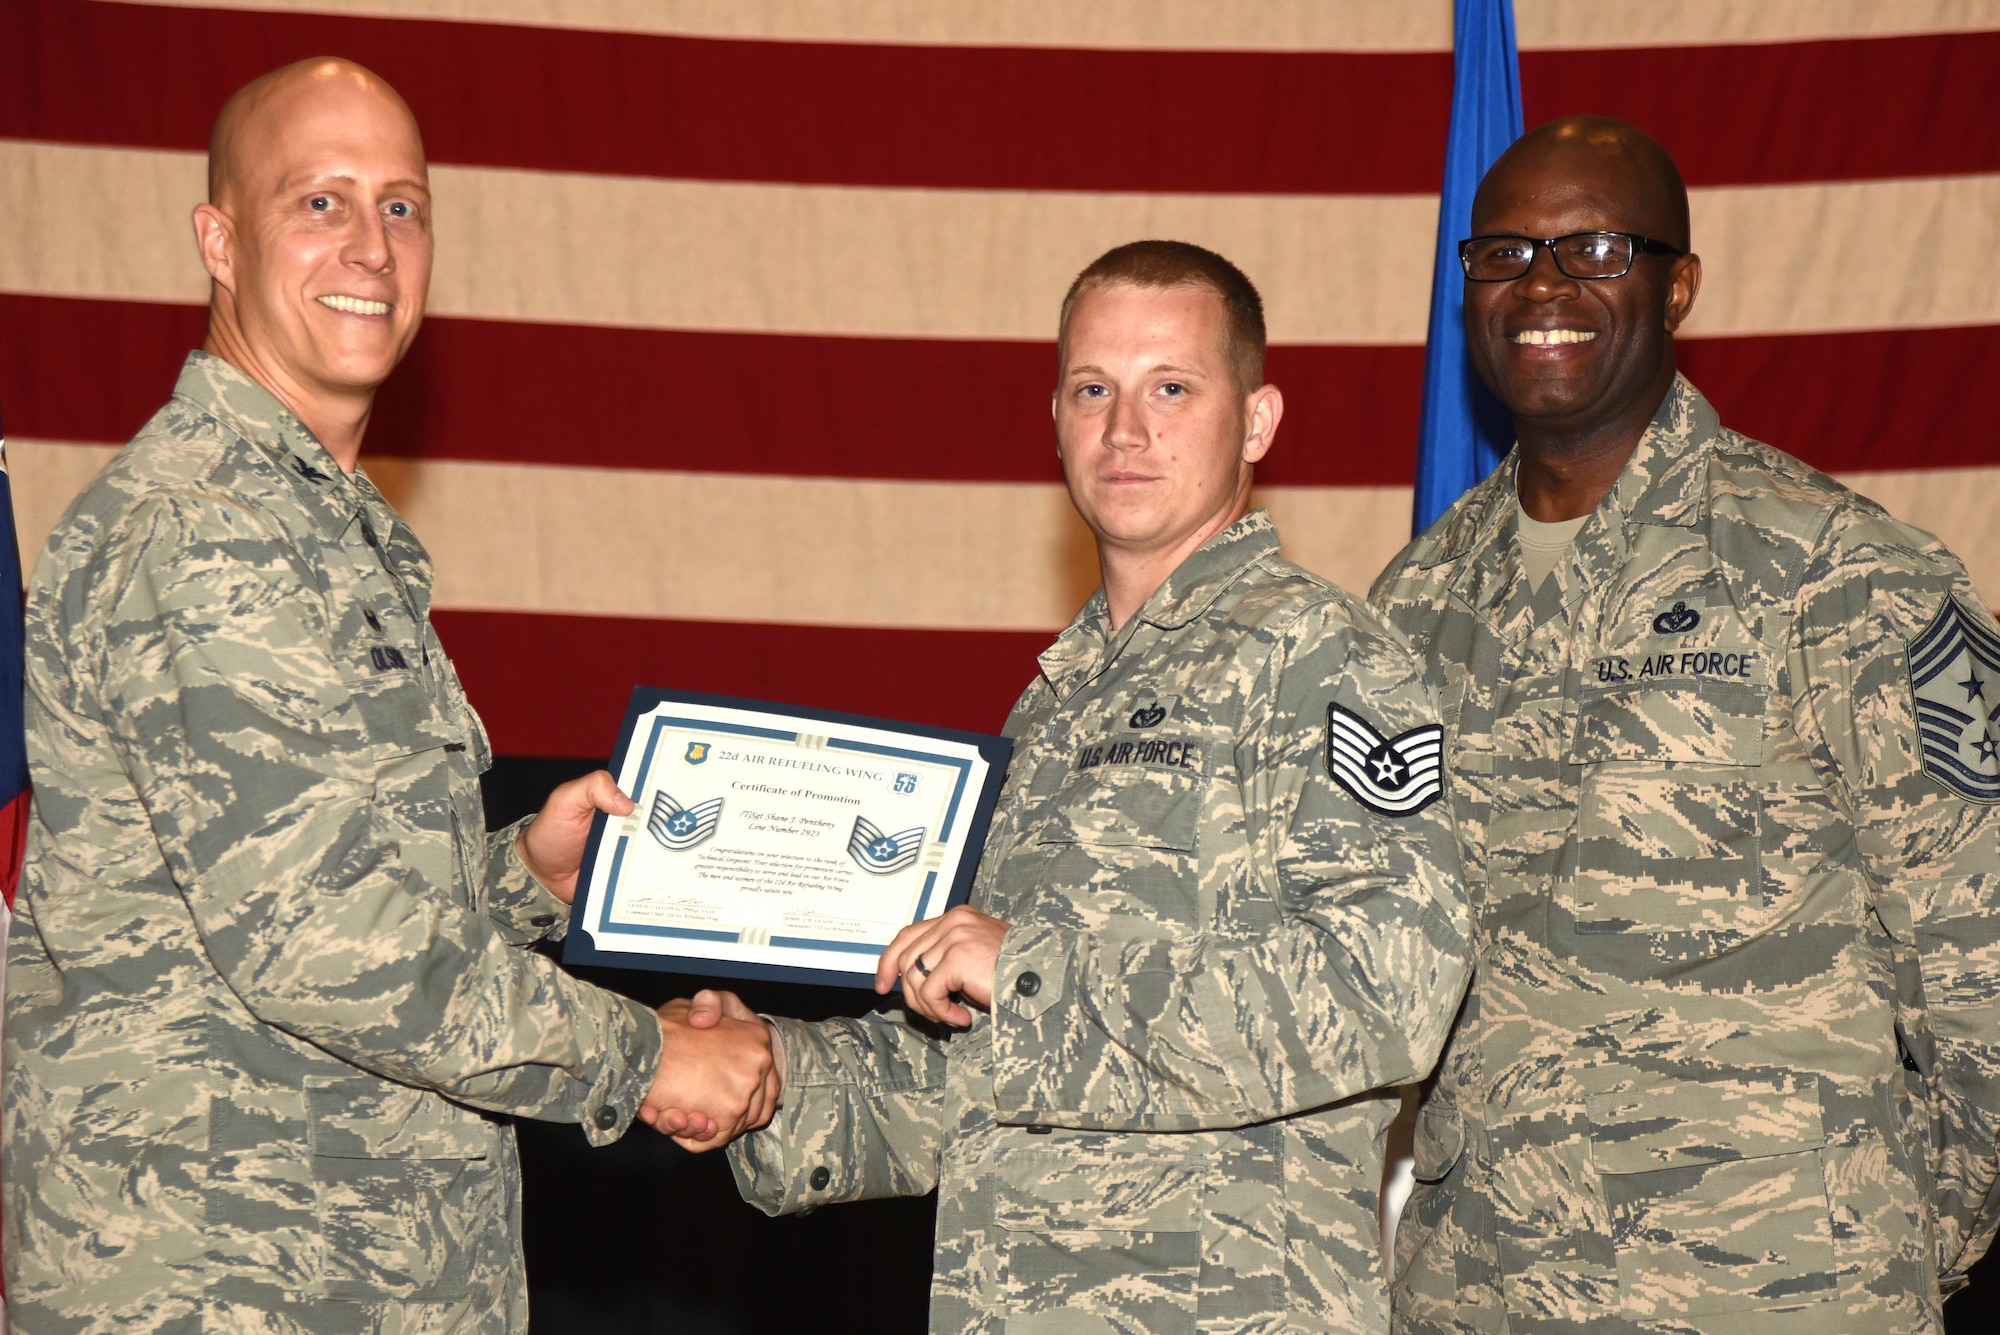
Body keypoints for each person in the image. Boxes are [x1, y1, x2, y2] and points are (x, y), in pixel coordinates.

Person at [1, 59, 776, 1333]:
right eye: (319, 202)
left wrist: (528, 873)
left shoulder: (321, 529)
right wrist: (647, 1058)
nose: (370, 246)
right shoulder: (201, 536)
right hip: (219, 1278)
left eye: (401, 207)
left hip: (353, 1269)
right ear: (219, 239)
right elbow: (322, 945)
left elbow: (318, 894)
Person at [667, 241, 1472, 1333]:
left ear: (1258, 422)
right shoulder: (1056, 706)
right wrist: (766, 1075)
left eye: (1170, 389)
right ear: (1053, 418)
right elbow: (977, 1060)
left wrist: (1028, 969)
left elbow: (1386, 995)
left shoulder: (1321, 658)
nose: (1124, 430)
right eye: (1093, 390)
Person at [1372, 116, 2000, 1335]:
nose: (1541, 286)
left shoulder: (1844, 574)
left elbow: (1980, 959)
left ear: (1678, 286)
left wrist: (1897, 1236)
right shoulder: (1416, 602)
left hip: (1772, 1285)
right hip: (1482, 1287)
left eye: (1593, 249)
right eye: (1501, 254)